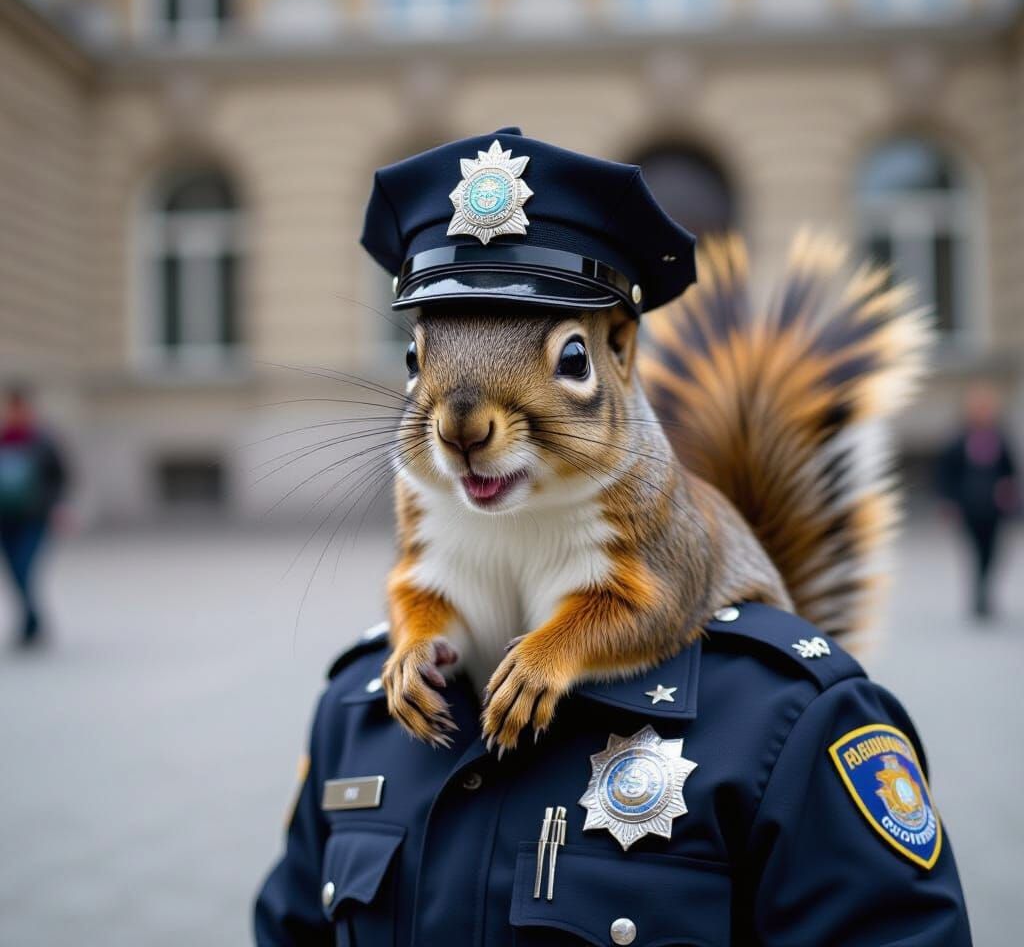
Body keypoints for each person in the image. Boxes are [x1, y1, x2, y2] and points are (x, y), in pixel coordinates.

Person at [254, 129, 971, 944]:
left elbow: (649, 594)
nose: (461, 425)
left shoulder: (790, 723)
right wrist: (418, 639)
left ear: (619, 354)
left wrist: (560, 649)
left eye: (564, 358)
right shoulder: (356, 711)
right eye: (422, 365)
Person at [936, 381, 1019, 620]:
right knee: (976, 551)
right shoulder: (959, 439)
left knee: (993, 552)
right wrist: (947, 501)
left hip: (995, 506)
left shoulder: (1000, 437)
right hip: (969, 505)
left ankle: (985, 593)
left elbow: (1009, 470)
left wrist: (1009, 490)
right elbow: (946, 473)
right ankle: (978, 596)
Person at [0, 385, 68, 646]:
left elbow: (60, 476)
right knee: (13, 572)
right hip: (4, 518)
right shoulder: (3, 437)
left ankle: (31, 622)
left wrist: (58, 506)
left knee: (23, 568)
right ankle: (32, 621)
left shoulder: (43, 441)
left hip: (34, 516)